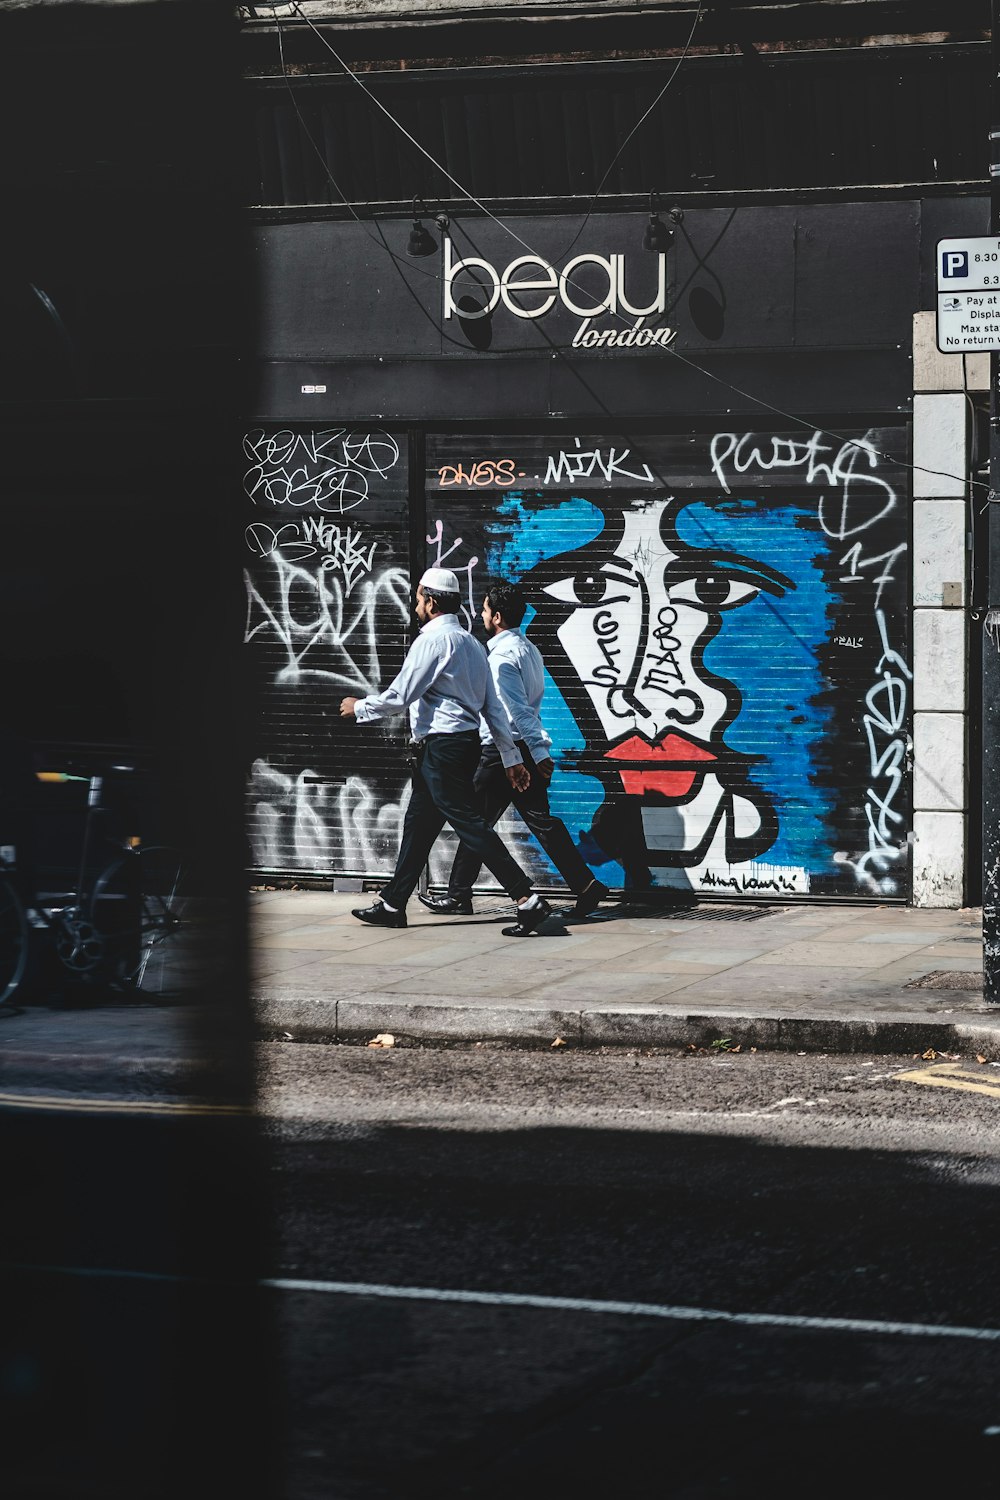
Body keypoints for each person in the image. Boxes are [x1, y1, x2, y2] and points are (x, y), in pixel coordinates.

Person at [339, 567, 559, 937]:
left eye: (418, 596)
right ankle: (394, 903)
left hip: (441, 748)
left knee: (470, 825)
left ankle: (527, 900)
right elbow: (492, 707)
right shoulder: (473, 645)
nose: (414, 602)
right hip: (458, 746)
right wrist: (511, 758)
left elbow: (400, 696)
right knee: (419, 826)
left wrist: (359, 707)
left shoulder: (432, 643)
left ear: (431, 600)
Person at [418, 581, 609, 919]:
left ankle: (459, 896)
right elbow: (530, 708)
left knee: (475, 822)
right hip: (520, 747)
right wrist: (536, 751)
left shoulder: (501, 656)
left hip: (501, 750)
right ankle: (585, 885)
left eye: (486, 610)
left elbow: (514, 709)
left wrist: (534, 752)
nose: (481, 614)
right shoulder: (529, 648)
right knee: (541, 821)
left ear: (498, 616)